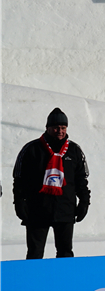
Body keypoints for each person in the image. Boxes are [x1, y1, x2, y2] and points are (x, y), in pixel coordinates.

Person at [13, 108, 90, 259]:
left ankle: (65, 281)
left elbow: (81, 180)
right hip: (37, 210)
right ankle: (33, 281)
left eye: (63, 128)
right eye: (55, 127)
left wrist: (84, 201)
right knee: (35, 253)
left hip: (65, 210)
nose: (59, 131)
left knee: (65, 253)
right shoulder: (32, 149)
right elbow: (20, 179)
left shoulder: (74, 150)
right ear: (47, 128)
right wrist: (19, 202)